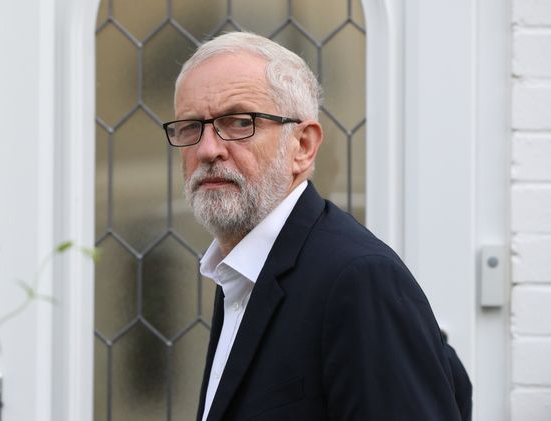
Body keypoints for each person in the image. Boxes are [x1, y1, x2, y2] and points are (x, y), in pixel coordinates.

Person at [163, 31, 471, 421]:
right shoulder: (241, 274)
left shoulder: (358, 279)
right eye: (191, 127)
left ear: (303, 146)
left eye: (239, 122)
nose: (207, 149)